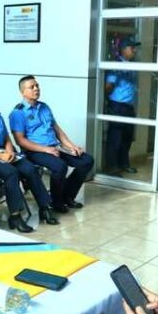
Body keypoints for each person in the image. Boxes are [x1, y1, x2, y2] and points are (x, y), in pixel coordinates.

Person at [0, 86, 59, 231]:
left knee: (29, 168)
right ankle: (15, 216)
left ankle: (45, 207)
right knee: (11, 173)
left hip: (3, 153)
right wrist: (1, 156)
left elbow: (6, 138)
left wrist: (9, 151)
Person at [9, 75, 94, 213]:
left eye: (37, 86)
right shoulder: (17, 113)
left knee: (86, 160)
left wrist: (70, 145)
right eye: (32, 87)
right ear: (23, 92)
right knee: (60, 166)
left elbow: (57, 130)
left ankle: (67, 196)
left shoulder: (44, 107)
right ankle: (57, 202)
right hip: (34, 151)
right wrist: (45, 149)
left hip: (54, 147)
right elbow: (21, 141)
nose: (36, 89)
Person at [105, 37, 141, 175]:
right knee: (115, 138)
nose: (134, 50)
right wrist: (109, 100)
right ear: (123, 49)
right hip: (117, 106)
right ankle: (112, 167)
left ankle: (124, 164)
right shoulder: (117, 66)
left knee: (127, 137)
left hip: (128, 106)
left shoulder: (131, 65)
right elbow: (108, 86)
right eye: (132, 48)